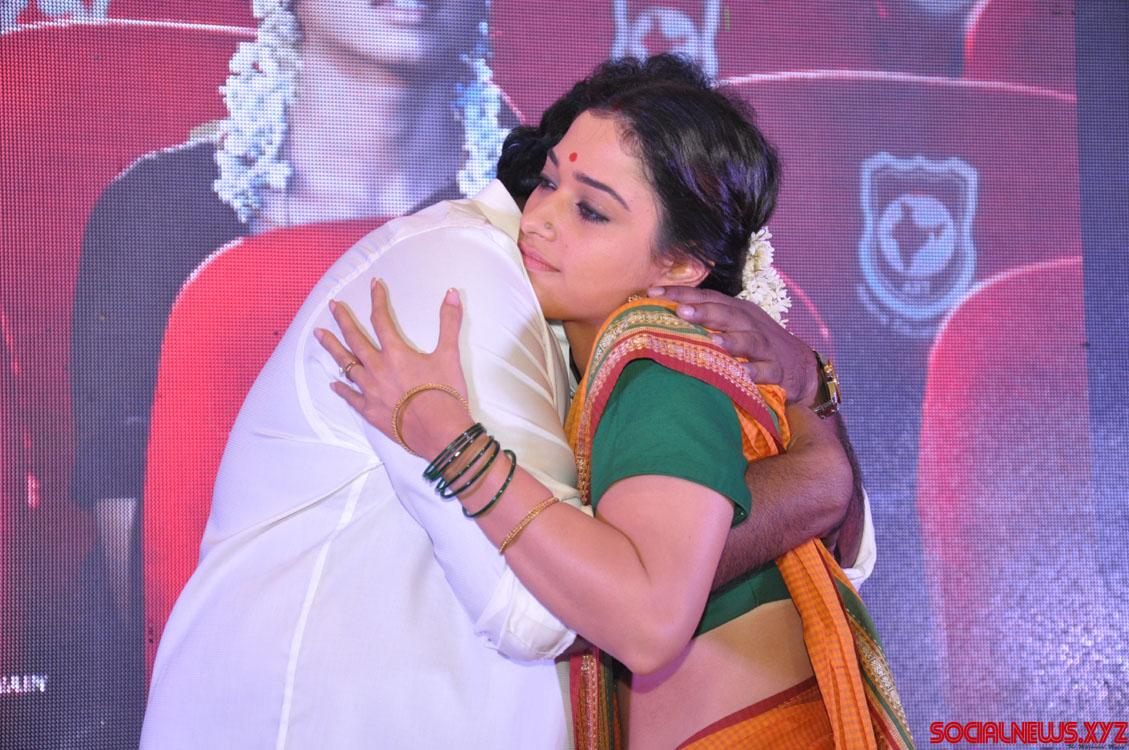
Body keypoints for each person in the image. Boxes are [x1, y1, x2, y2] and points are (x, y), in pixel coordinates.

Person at [142, 56, 876, 748]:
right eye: (548, 182)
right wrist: (812, 481)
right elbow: (546, 610)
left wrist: (815, 401)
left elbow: (832, 553)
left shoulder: (652, 358)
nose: (541, 218)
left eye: (591, 211)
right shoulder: (462, 275)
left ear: (681, 264)